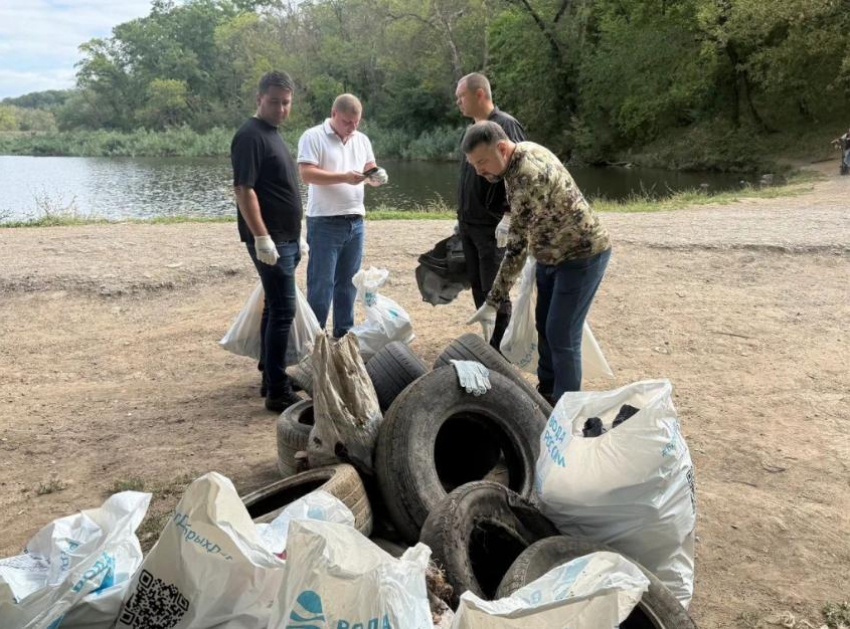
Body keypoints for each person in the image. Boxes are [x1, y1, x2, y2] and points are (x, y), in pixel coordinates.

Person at [463, 121, 612, 405]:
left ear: (502, 148)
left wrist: (493, 300)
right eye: (473, 165)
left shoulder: (528, 173)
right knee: (544, 325)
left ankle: (566, 408)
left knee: (561, 333)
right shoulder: (516, 158)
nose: (479, 171)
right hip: (549, 254)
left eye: (482, 162)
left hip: (581, 253)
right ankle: (547, 391)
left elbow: (517, 247)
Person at [231, 70, 305, 413]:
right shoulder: (250, 135)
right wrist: (262, 238)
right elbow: (243, 190)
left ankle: (269, 375)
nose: (280, 108)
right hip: (270, 240)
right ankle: (276, 391)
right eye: (274, 101)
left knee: (274, 308)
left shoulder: (272, 134)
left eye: (286, 102)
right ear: (259, 99)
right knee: (283, 311)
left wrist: (297, 235)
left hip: (286, 238)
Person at [297, 94, 387, 337]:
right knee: (321, 284)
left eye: (356, 122)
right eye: (347, 122)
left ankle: (343, 333)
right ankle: (315, 336)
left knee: (349, 282)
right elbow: (307, 174)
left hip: (356, 220)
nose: (352, 127)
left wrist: (377, 177)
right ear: (334, 114)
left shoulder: (362, 139)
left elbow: (370, 170)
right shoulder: (313, 136)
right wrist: (344, 177)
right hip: (324, 220)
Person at [454, 72, 526, 350]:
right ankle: (489, 342)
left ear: (479, 94)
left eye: (461, 96)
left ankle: (500, 351)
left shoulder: (505, 125)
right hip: (470, 224)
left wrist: (508, 216)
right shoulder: (472, 130)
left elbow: (519, 172)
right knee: (478, 286)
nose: (458, 102)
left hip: (493, 226)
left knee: (495, 289)